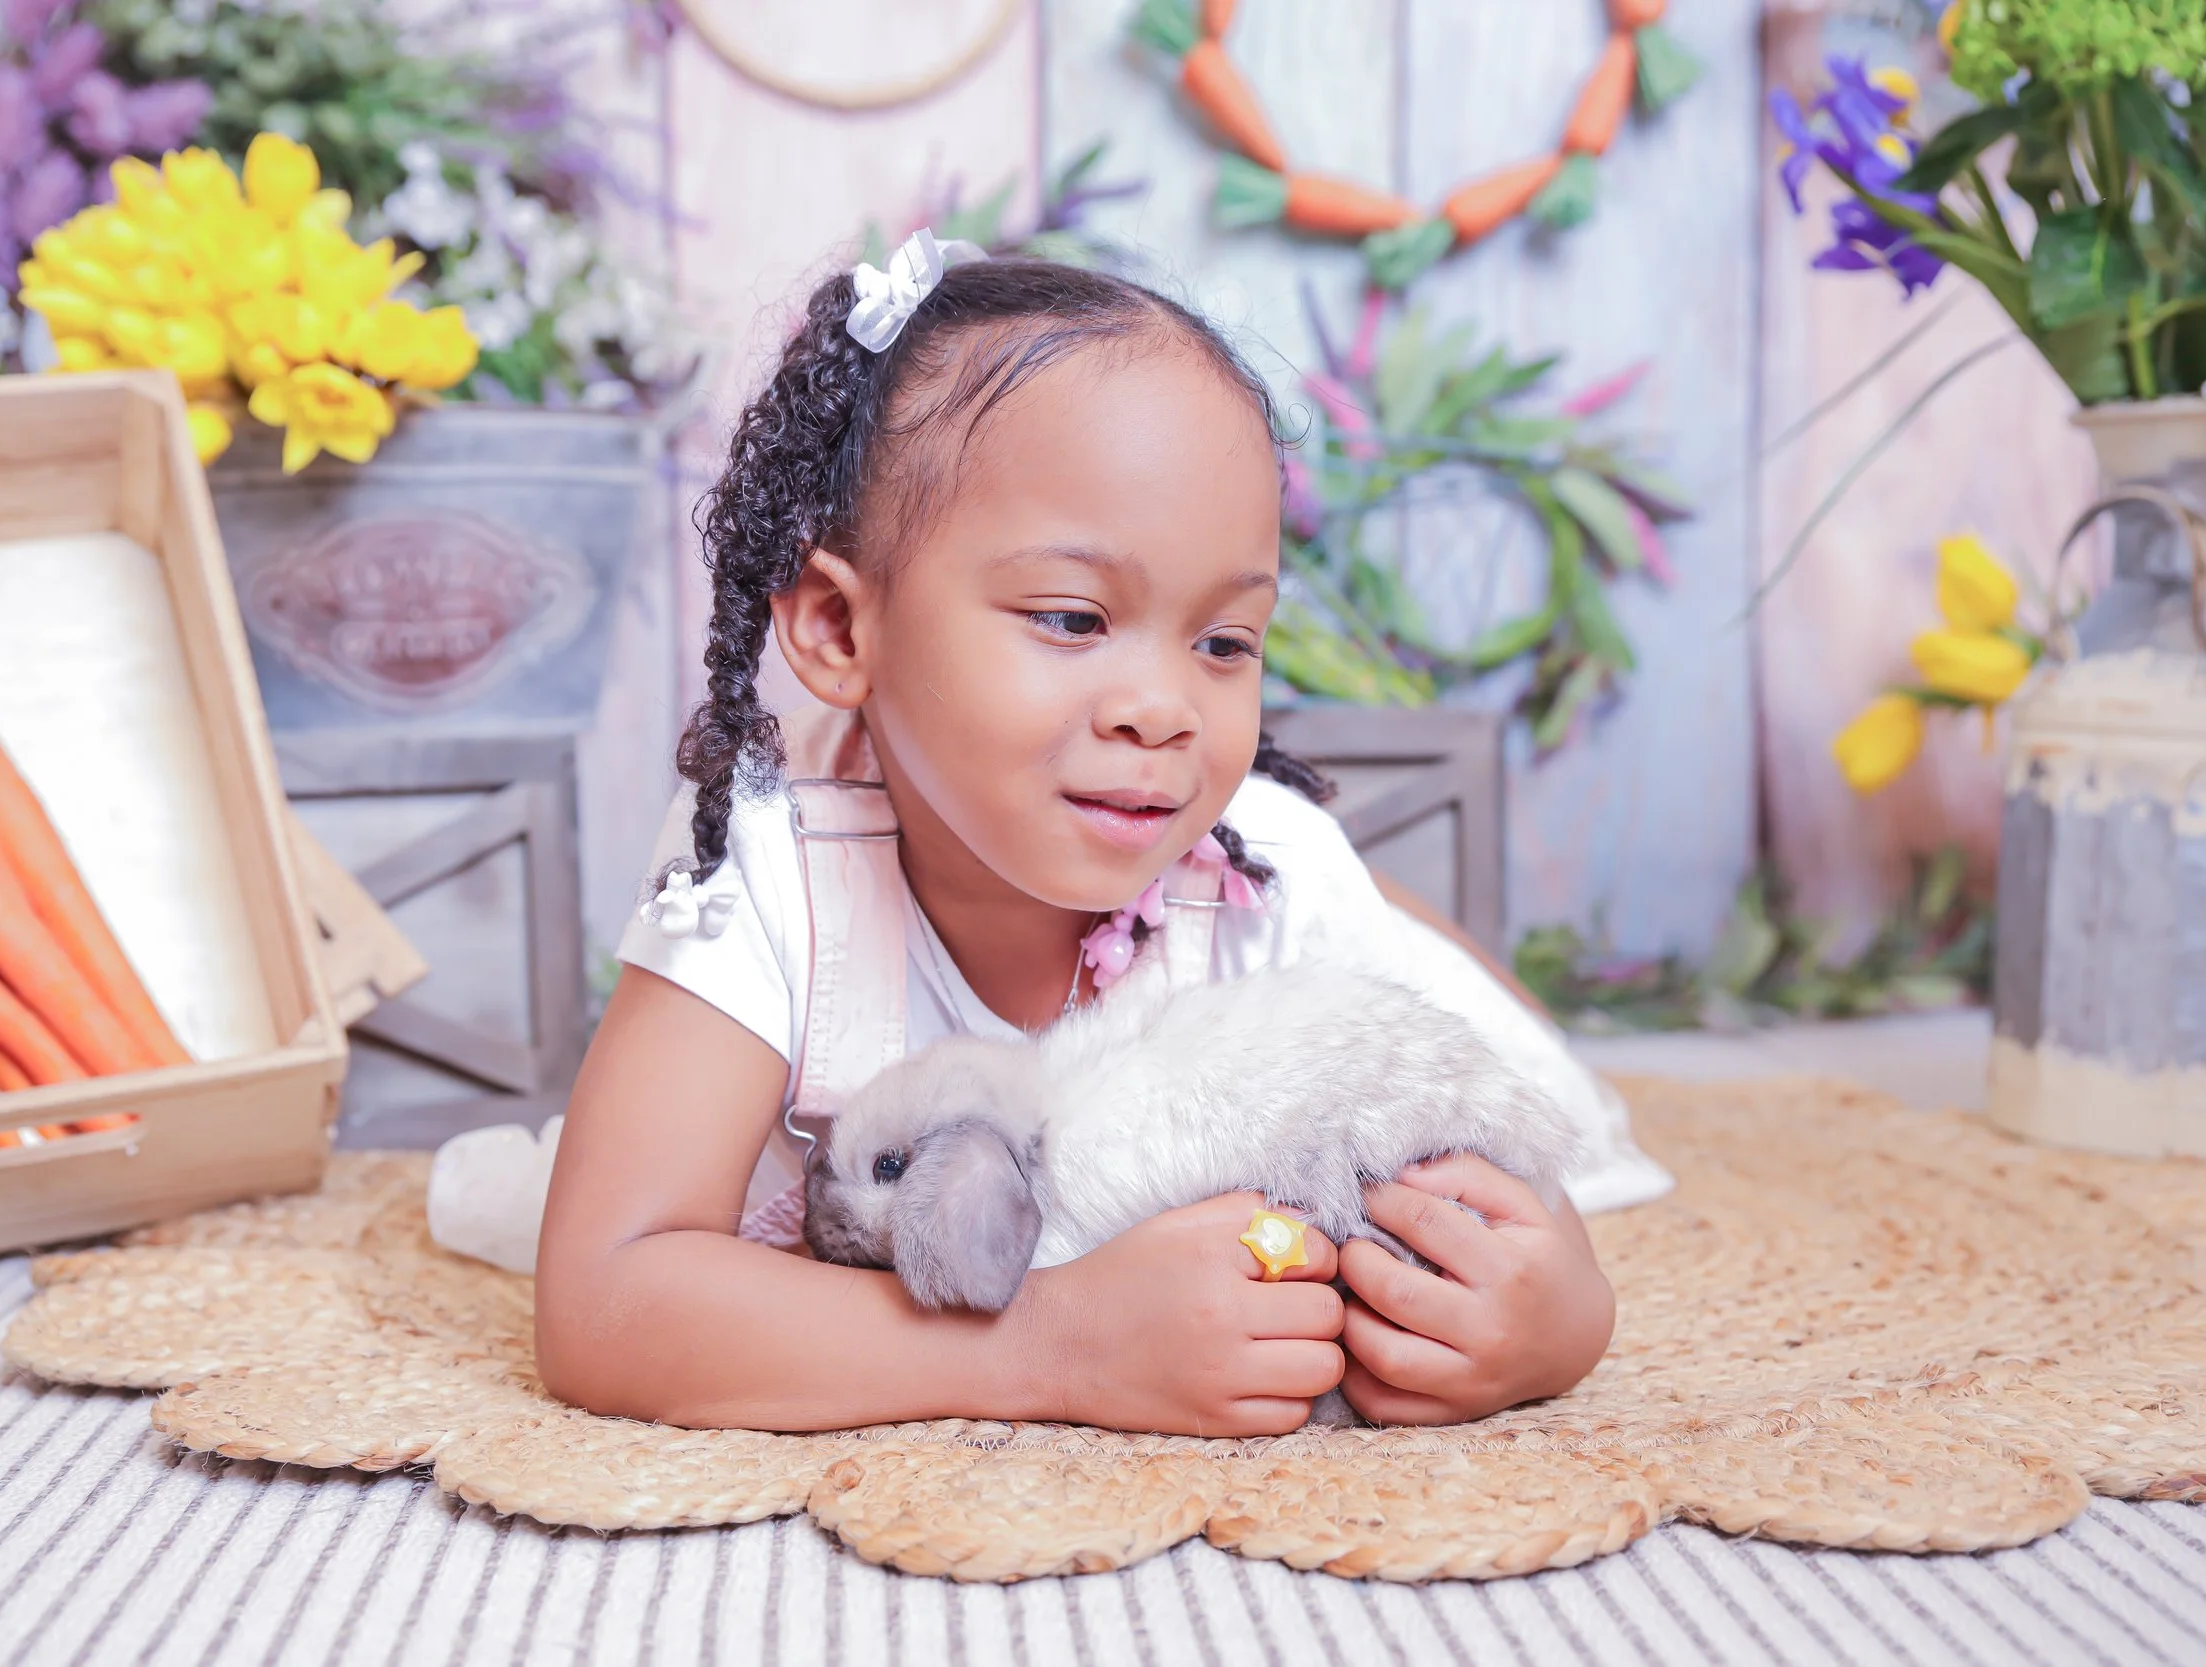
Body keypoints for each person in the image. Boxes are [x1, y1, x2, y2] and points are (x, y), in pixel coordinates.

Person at [529, 233, 1670, 1438]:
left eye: (1223, 641)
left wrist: (1563, 1320)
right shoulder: (769, 857)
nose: (1163, 708)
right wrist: (1051, 1343)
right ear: (837, 628)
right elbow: (605, 1300)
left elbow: (1498, 1168)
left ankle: (1401, 919)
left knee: (1539, 1073)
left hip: (1319, 938)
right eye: (1074, 618)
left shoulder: (1265, 880)